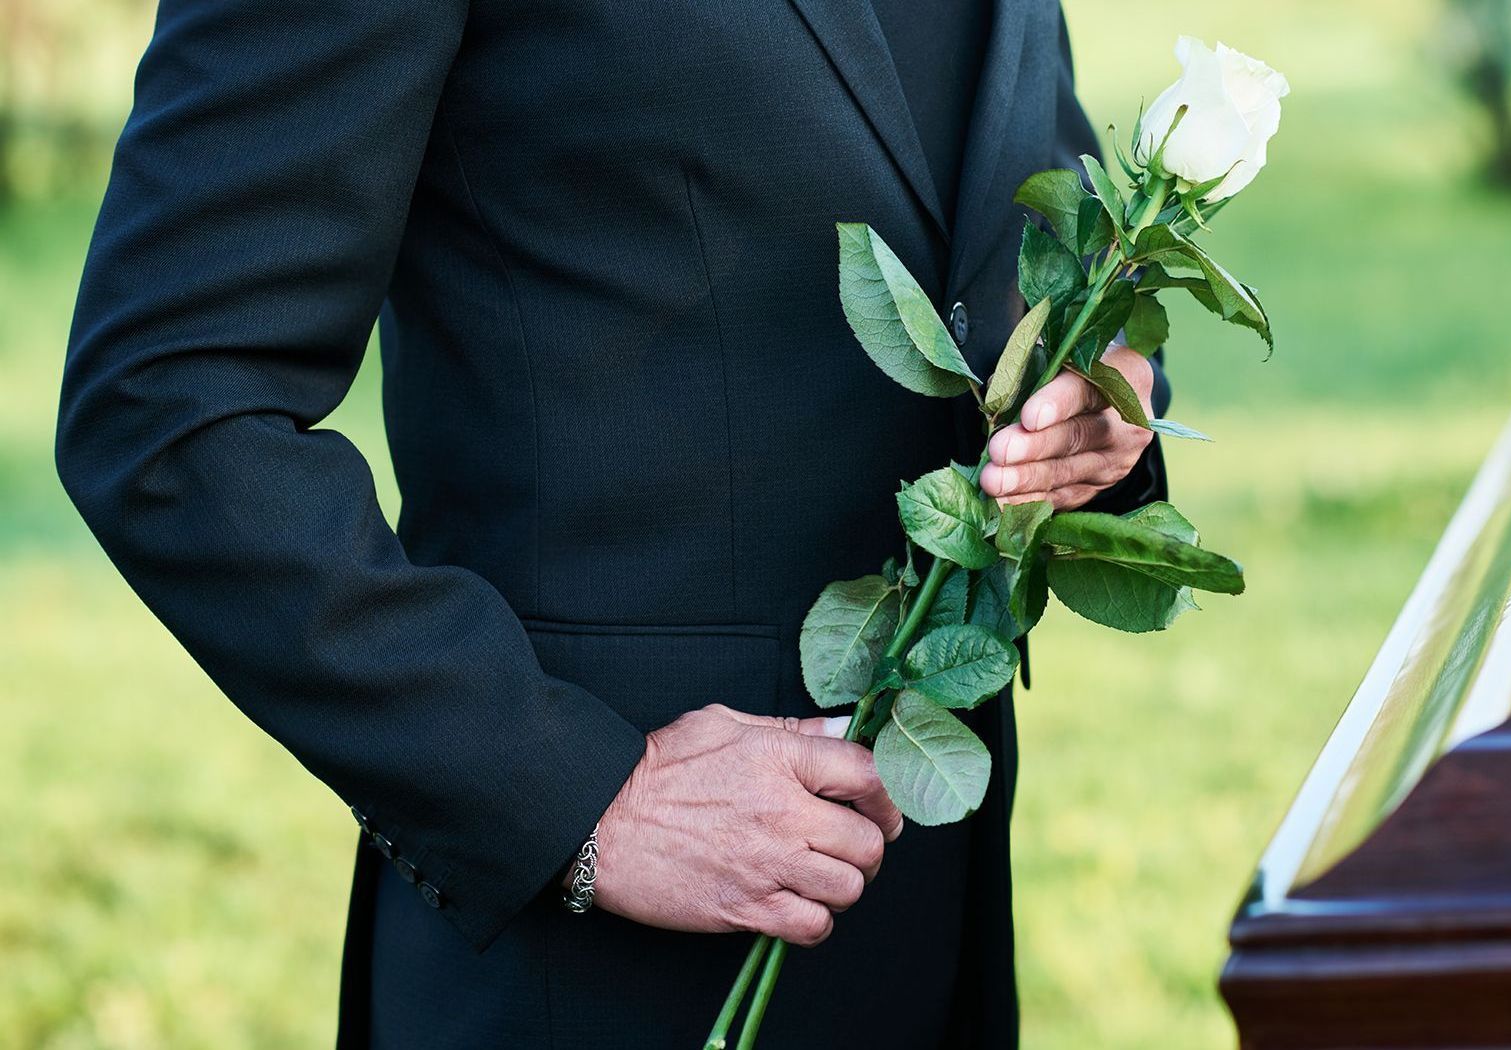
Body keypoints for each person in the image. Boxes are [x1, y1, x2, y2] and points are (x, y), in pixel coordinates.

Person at [55, 0, 1168, 1045]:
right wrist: (580, 798)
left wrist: (1105, 388)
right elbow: (166, 402)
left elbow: (1007, 193)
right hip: (589, 964)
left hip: (933, 911)